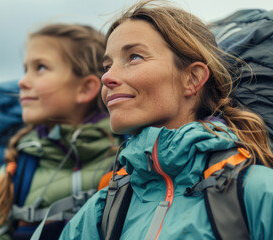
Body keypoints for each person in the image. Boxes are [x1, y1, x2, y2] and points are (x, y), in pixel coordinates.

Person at [59, 1, 273, 239]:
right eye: (107, 66)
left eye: (134, 57)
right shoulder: (102, 210)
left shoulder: (256, 192)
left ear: (192, 78)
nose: (108, 77)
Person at [0, 23, 122, 240]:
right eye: (26, 70)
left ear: (85, 88)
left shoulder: (128, 157)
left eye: (40, 68)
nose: (22, 82)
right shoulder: (19, 164)